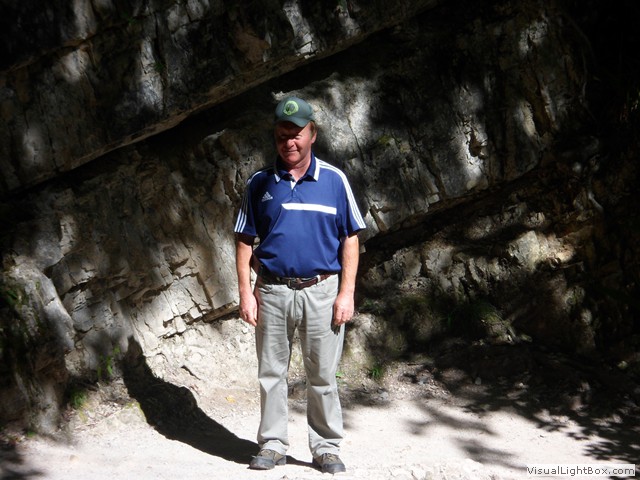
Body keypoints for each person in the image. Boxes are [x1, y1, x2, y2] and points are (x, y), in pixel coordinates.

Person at [234, 96, 366, 474]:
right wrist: (245, 293)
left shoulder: (334, 180)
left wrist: (346, 293)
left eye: (296, 134)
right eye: (282, 135)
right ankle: (272, 444)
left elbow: (351, 238)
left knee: (322, 374)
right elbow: (244, 239)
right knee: (271, 372)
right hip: (272, 291)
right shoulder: (260, 183)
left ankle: (326, 447)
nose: (289, 142)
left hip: (322, 290)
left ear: (312, 134)